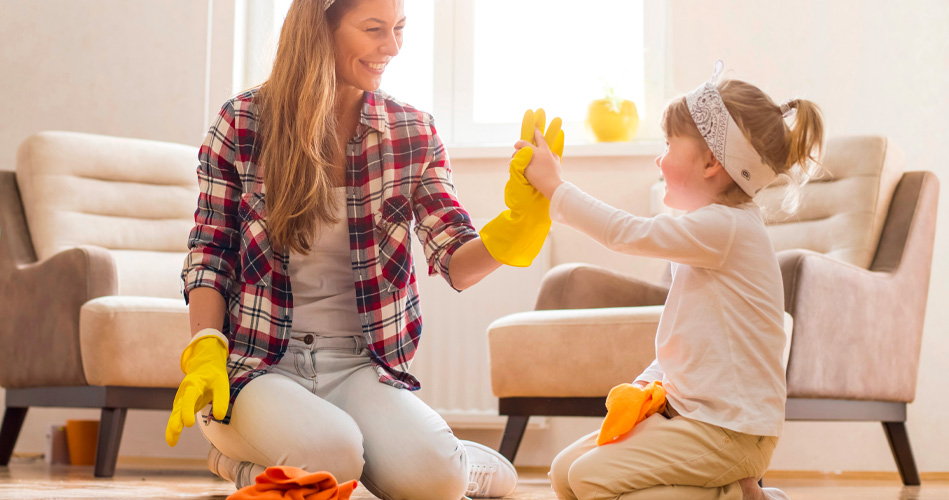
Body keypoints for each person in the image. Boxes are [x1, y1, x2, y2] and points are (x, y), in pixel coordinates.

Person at [163, 1, 562, 499]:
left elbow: (455, 256)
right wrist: (205, 347)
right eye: (374, 29)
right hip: (258, 365)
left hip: (359, 366)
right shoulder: (243, 122)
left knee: (435, 482)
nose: (391, 47)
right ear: (318, 29)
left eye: (399, 29)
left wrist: (518, 229)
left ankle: (444, 467)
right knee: (334, 456)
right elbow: (211, 251)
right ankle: (237, 463)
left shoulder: (412, 131)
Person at [518, 61, 824, 500]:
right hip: (692, 418)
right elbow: (690, 338)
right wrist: (647, 385)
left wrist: (556, 188)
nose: (658, 158)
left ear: (712, 162)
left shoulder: (727, 228)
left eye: (667, 144)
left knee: (589, 480)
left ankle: (738, 495)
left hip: (732, 432)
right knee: (565, 473)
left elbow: (626, 232)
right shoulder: (708, 232)